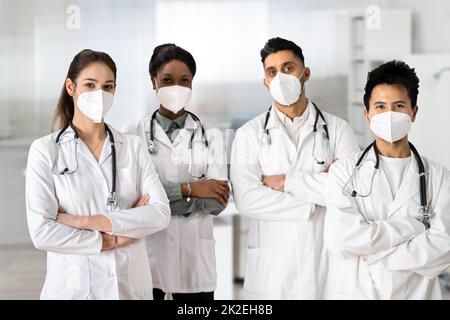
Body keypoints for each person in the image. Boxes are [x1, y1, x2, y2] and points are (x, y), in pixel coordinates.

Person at [26, 49, 170, 300]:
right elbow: (42, 232)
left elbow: (160, 214)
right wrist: (110, 240)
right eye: (90, 85)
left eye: (107, 86)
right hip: (74, 288)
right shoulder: (45, 151)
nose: (99, 95)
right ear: (71, 87)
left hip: (130, 286)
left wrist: (83, 222)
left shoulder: (133, 147)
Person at [230, 37, 360, 299]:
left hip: (324, 262)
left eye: (288, 68)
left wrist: (284, 182)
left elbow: (350, 191)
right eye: (272, 72)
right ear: (265, 82)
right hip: (273, 269)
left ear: (305, 73)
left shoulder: (337, 129)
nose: (280, 77)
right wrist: (314, 202)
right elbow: (247, 199)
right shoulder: (249, 135)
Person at [324, 60, 450, 299]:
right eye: (380, 106)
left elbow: (444, 246)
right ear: (367, 114)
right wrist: (415, 227)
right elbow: (340, 239)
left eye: (399, 106)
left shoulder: (439, 176)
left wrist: (374, 255)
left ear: (414, 112)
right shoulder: (344, 172)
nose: (389, 115)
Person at [123, 44, 228, 300]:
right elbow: (131, 203)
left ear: (192, 84)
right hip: (149, 257)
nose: (176, 87)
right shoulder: (131, 135)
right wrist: (190, 189)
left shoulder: (211, 136)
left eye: (184, 80)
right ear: (153, 82)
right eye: (167, 80)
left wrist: (156, 205)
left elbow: (217, 202)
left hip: (195, 260)